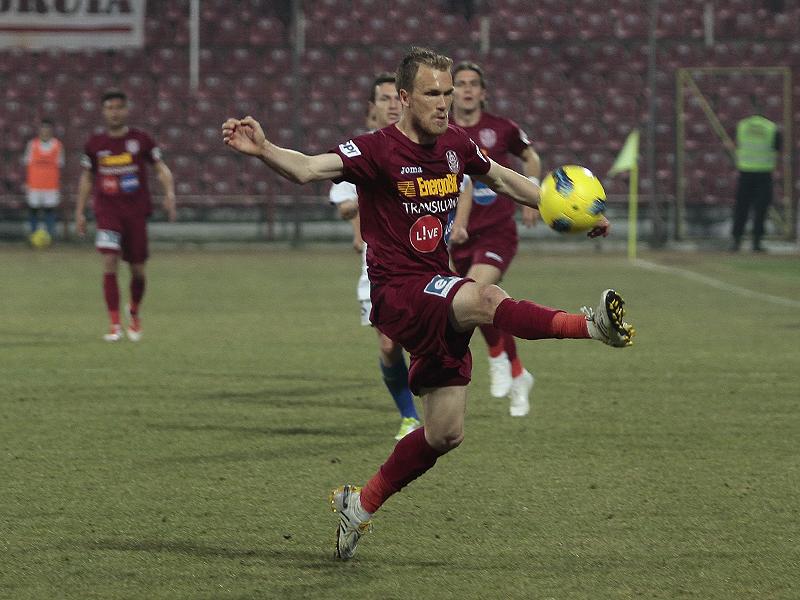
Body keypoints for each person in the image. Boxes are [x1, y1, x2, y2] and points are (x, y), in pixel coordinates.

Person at [222, 46, 635, 561]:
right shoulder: (374, 149)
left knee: (444, 433)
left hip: (436, 289)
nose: (444, 103)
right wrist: (264, 149)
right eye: (432, 94)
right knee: (486, 298)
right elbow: (309, 168)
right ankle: (592, 326)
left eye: (447, 93)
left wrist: (569, 213)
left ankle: (360, 503)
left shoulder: (456, 145)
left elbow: (505, 180)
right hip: (398, 291)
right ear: (403, 98)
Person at [329, 73, 422, 441]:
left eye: (396, 97)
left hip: (421, 263)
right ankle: (410, 417)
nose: (392, 104)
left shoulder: (425, 145)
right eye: (384, 99)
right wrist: (355, 212)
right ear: (373, 107)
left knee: (423, 341)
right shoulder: (362, 150)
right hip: (378, 265)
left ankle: (436, 410)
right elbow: (341, 203)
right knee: (387, 344)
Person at [449, 61, 541, 417]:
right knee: (477, 303)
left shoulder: (502, 129)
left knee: (474, 291)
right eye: (461, 84)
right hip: (458, 234)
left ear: (484, 93)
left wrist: (532, 195)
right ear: (452, 91)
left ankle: (496, 358)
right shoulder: (446, 131)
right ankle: (519, 373)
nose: (467, 89)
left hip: (498, 231)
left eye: (474, 84)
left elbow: (531, 157)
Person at [75, 89, 177, 342]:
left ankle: (133, 310)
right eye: (110, 108)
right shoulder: (95, 144)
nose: (114, 112)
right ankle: (114, 323)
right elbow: (87, 178)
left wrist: (169, 194)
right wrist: (79, 211)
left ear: (126, 110)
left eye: (119, 107)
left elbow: (161, 169)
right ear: (103, 111)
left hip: (135, 212)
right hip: (107, 212)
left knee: (138, 270)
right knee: (109, 261)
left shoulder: (140, 140)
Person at [727, 100, 782, 253]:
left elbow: (734, 143)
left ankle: (736, 241)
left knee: (741, 208)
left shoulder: (742, 126)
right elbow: (778, 148)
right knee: (761, 210)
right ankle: (756, 242)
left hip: (745, 172)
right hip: (764, 173)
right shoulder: (771, 128)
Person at [23, 118, 64, 243]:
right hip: (34, 184)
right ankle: (33, 236)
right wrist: (27, 183)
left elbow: (60, 164)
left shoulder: (58, 145)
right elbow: (27, 163)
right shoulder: (32, 145)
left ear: (51, 130)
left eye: (47, 128)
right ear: (39, 130)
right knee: (33, 210)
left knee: (49, 210)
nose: (45, 131)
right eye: (43, 128)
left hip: (51, 185)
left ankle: (50, 237)